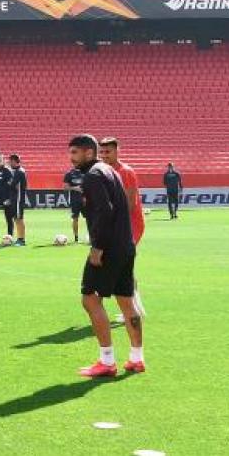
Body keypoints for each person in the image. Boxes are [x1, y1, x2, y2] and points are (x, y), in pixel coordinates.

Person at [69, 134, 144, 377]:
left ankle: (107, 361)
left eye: (75, 153)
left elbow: (105, 210)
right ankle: (136, 358)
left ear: (89, 153)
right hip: (126, 245)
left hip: (109, 247)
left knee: (90, 298)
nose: (71, 158)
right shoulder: (110, 171)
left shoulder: (93, 176)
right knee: (126, 300)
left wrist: (98, 246)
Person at [99, 138, 146, 323]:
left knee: (121, 267)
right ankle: (136, 308)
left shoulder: (125, 171)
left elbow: (130, 203)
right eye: (102, 152)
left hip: (130, 225)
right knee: (125, 268)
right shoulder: (105, 171)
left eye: (108, 152)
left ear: (118, 151)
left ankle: (132, 308)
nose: (104, 155)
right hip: (119, 226)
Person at [8, 154, 29, 246]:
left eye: (10, 161)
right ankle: (19, 238)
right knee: (17, 218)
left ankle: (22, 240)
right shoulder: (17, 171)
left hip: (18, 198)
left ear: (14, 161)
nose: (9, 163)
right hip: (15, 198)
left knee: (19, 218)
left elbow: (12, 184)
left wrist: (8, 182)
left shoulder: (20, 172)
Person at [64, 166, 86, 243]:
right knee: (75, 218)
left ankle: (91, 237)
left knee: (90, 219)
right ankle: (76, 238)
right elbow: (65, 187)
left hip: (86, 200)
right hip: (75, 200)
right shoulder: (69, 174)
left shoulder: (86, 172)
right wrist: (75, 188)